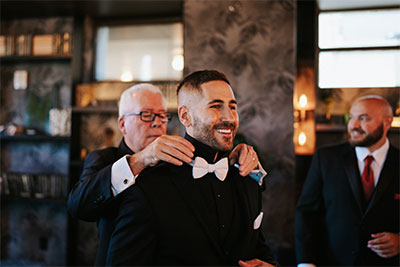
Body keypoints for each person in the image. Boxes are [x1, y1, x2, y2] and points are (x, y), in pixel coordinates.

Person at [67, 83, 267, 265]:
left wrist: (235, 160)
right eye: (146, 114)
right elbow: (78, 205)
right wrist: (141, 159)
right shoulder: (103, 160)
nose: (157, 123)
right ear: (122, 124)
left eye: (163, 115)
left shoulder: (181, 161)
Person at [295, 95, 399, 266]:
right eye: (351, 118)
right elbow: (307, 213)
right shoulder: (326, 158)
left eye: (363, 118)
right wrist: (306, 262)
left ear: (387, 123)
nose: (354, 125)